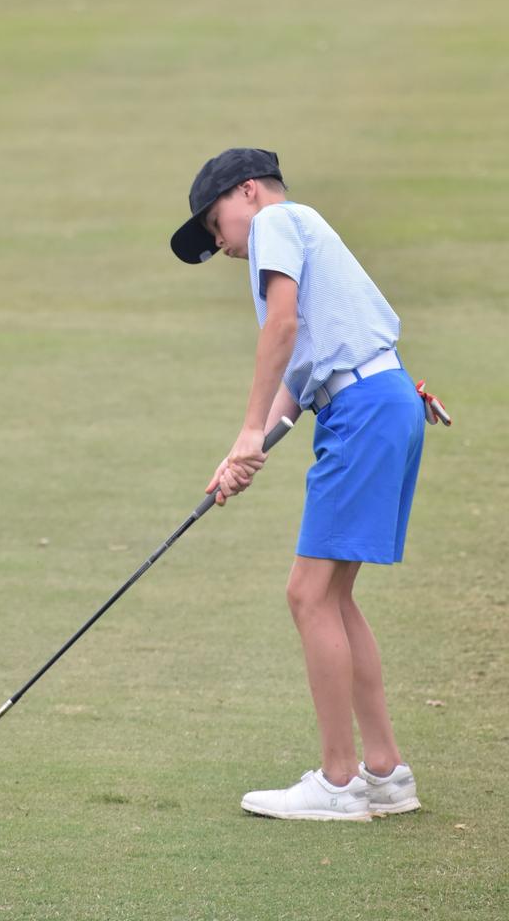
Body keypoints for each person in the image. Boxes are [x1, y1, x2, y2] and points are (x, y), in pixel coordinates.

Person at [169, 148, 425, 822]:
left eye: (214, 221)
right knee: (333, 598)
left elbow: (282, 329)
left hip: (365, 412)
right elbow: (305, 375)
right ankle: (384, 772)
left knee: (307, 594)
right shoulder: (303, 229)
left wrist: (254, 428)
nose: (218, 242)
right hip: (381, 401)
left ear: (248, 192)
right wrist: (243, 450)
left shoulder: (277, 223)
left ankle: (338, 784)